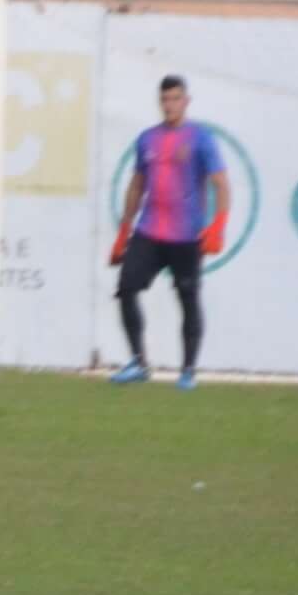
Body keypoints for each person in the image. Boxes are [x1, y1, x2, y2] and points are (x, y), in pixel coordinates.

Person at [110, 74, 226, 387]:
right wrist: (125, 229)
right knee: (125, 289)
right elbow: (137, 185)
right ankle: (138, 362)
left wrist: (217, 225)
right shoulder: (147, 139)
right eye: (165, 99)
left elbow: (221, 183)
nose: (169, 105)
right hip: (149, 231)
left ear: (186, 101)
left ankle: (188, 370)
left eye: (175, 99)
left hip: (186, 235)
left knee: (188, 298)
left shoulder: (201, 138)